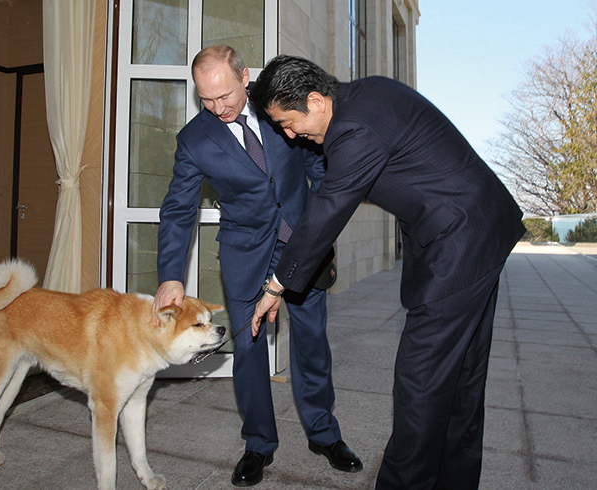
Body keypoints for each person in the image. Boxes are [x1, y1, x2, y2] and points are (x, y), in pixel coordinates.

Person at [250, 55, 526, 490]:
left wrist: (277, 284)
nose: (289, 134)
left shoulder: (353, 129)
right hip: (478, 230)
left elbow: (328, 207)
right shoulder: (366, 95)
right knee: (461, 380)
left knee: (420, 384)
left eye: (287, 122)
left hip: (459, 242)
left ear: (315, 101)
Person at [153, 46, 362, 487]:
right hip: (246, 252)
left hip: (300, 244)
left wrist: (320, 218)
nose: (218, 107)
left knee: (311, 339)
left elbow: (316, 159)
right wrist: (171, 275)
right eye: (206, 99)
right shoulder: (194, 139)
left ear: (245, 77)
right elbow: (178, 209)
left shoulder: (275, 108)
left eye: (225, 95)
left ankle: (324, 433)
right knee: (248, 349)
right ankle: (258, 443)